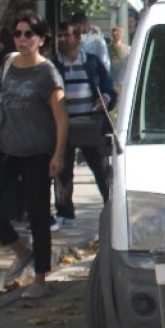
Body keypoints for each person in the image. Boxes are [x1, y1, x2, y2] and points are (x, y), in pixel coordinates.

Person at [0, 10, 68, 299]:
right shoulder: (10, 63)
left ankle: (40, 278)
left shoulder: (47, 72)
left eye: (28, 34)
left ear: (41, 39)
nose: (22, 39)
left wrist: (58, 154)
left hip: (37, 152)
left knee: (38, 214)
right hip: (6, 149)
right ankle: (20, 250)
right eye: (18, 34)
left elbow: (61, 117)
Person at [51, 19, 117, 227]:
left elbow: (109, 89)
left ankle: (113, 209)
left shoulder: (92, 62)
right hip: (64, 126)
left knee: (102, 169)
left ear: (78, 38)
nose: (62, 39)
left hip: (91, 124)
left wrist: (105, 98)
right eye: (59, 35)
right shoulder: (53, 65)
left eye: (67, 35)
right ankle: (65, 213)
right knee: (63, 171)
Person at [70, 10, 112, 80]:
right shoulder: (73, 41)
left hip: (94, 81)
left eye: (77, 26)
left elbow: (105, 63)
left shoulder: (97, 39)